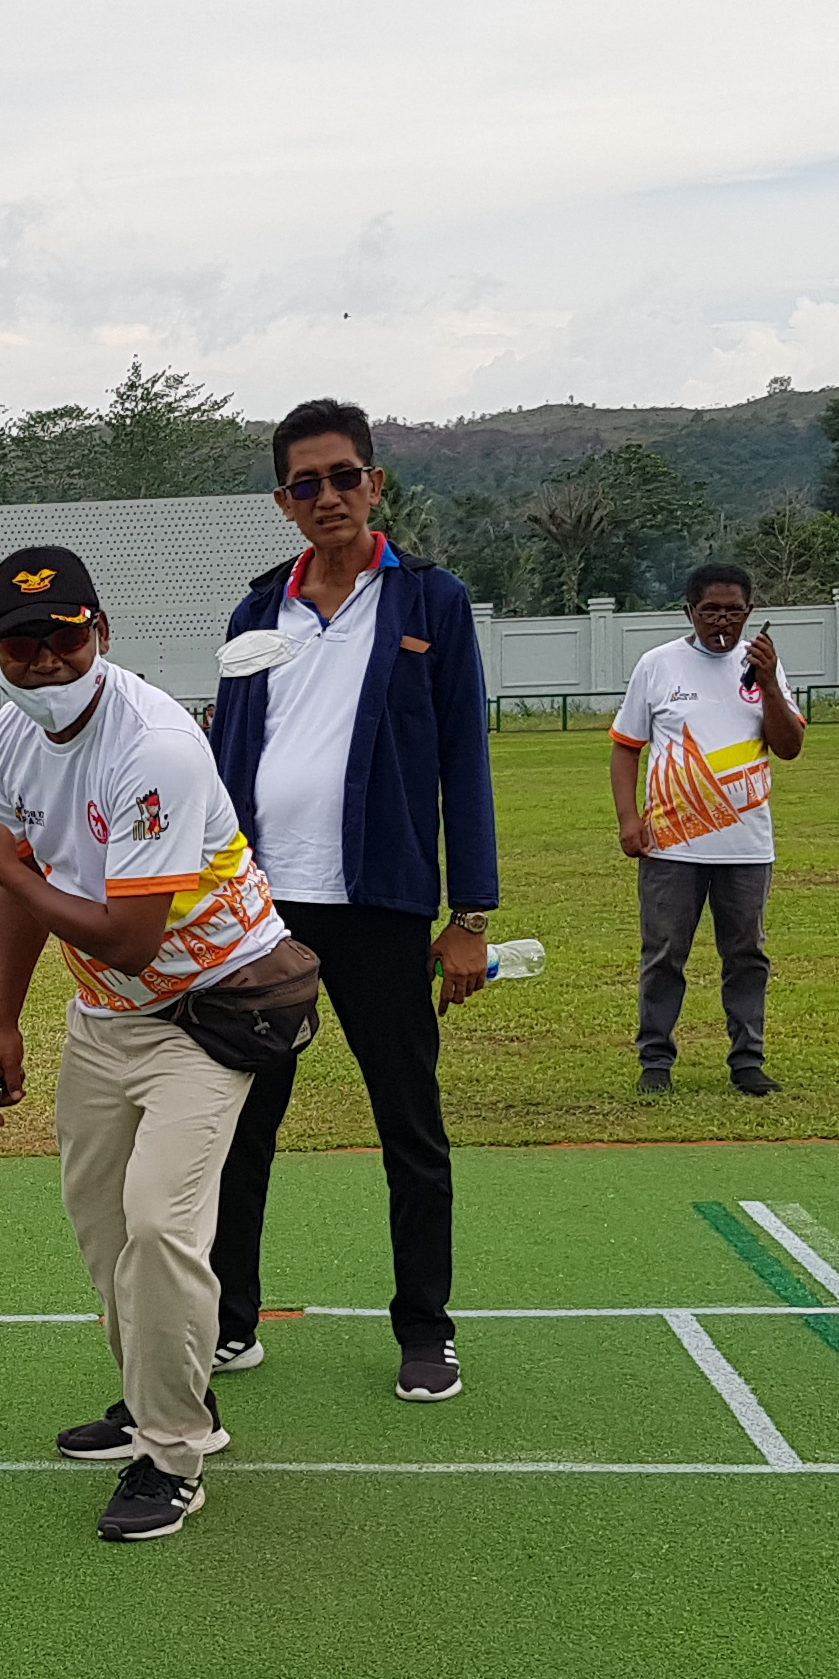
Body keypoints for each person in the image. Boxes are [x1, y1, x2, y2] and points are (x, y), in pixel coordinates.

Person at [0, 547, 298, 1543]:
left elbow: (129, 935)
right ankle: (160, 1391)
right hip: (105, 1016)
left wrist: (3, 864)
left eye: (65, 636)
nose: (46, 659)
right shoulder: (11, 737)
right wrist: (4, 1022)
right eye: (21, 644)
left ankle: (174, 1452)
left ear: (101, 634)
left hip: (210, 1008)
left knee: (158, 1223)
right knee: (104, 1228)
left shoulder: (155, 744)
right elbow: (31, 897)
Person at [202, 398, 502, 1402]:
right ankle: (230, 1320)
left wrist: (470, 916)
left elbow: (464, 761)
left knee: (408, 1123)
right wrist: (210, 896)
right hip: (262, 912)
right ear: (283, 501)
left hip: (380, 905)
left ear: (375, 483)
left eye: (344, 477)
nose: (327, 496)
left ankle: (425, 1328)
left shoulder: (430, 602)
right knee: (242, 1124)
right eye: (306, 484)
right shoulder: (257, 613)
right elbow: (227, 759)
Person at [609, 563, 806, 1096]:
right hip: (671, 845)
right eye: (710, 610)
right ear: (689, 612)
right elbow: (626, 748)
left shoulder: (764, 668)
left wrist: (769, 683)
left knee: (746, 956)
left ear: (750, 612)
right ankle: (655, 1061)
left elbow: (789, 747)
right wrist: (629, 820)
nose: (722, 621)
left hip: (746, 846)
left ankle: (747, 1061)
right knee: (664, 954)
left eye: (734, 611)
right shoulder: (658, 665)